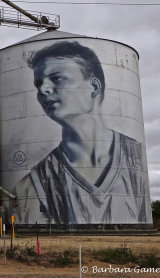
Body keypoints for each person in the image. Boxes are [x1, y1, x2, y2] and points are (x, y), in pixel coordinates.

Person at [16, 41, 150, 225]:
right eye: (38, 83)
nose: (43, 89)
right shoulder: (33, 185)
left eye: (57, 78)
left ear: (94, 86)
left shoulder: (134, 159)